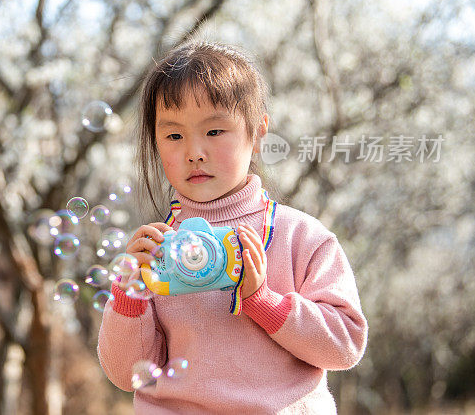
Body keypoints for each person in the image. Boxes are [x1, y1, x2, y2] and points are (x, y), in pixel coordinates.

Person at [97, 41, 367, 414]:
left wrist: (264, 301)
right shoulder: (155, 253)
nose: (194, 151)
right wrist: (130, 295)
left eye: (214, 131)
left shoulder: (301, 237)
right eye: (174, 135)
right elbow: (127, 374)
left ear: (258, 133)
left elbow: (345, 343)